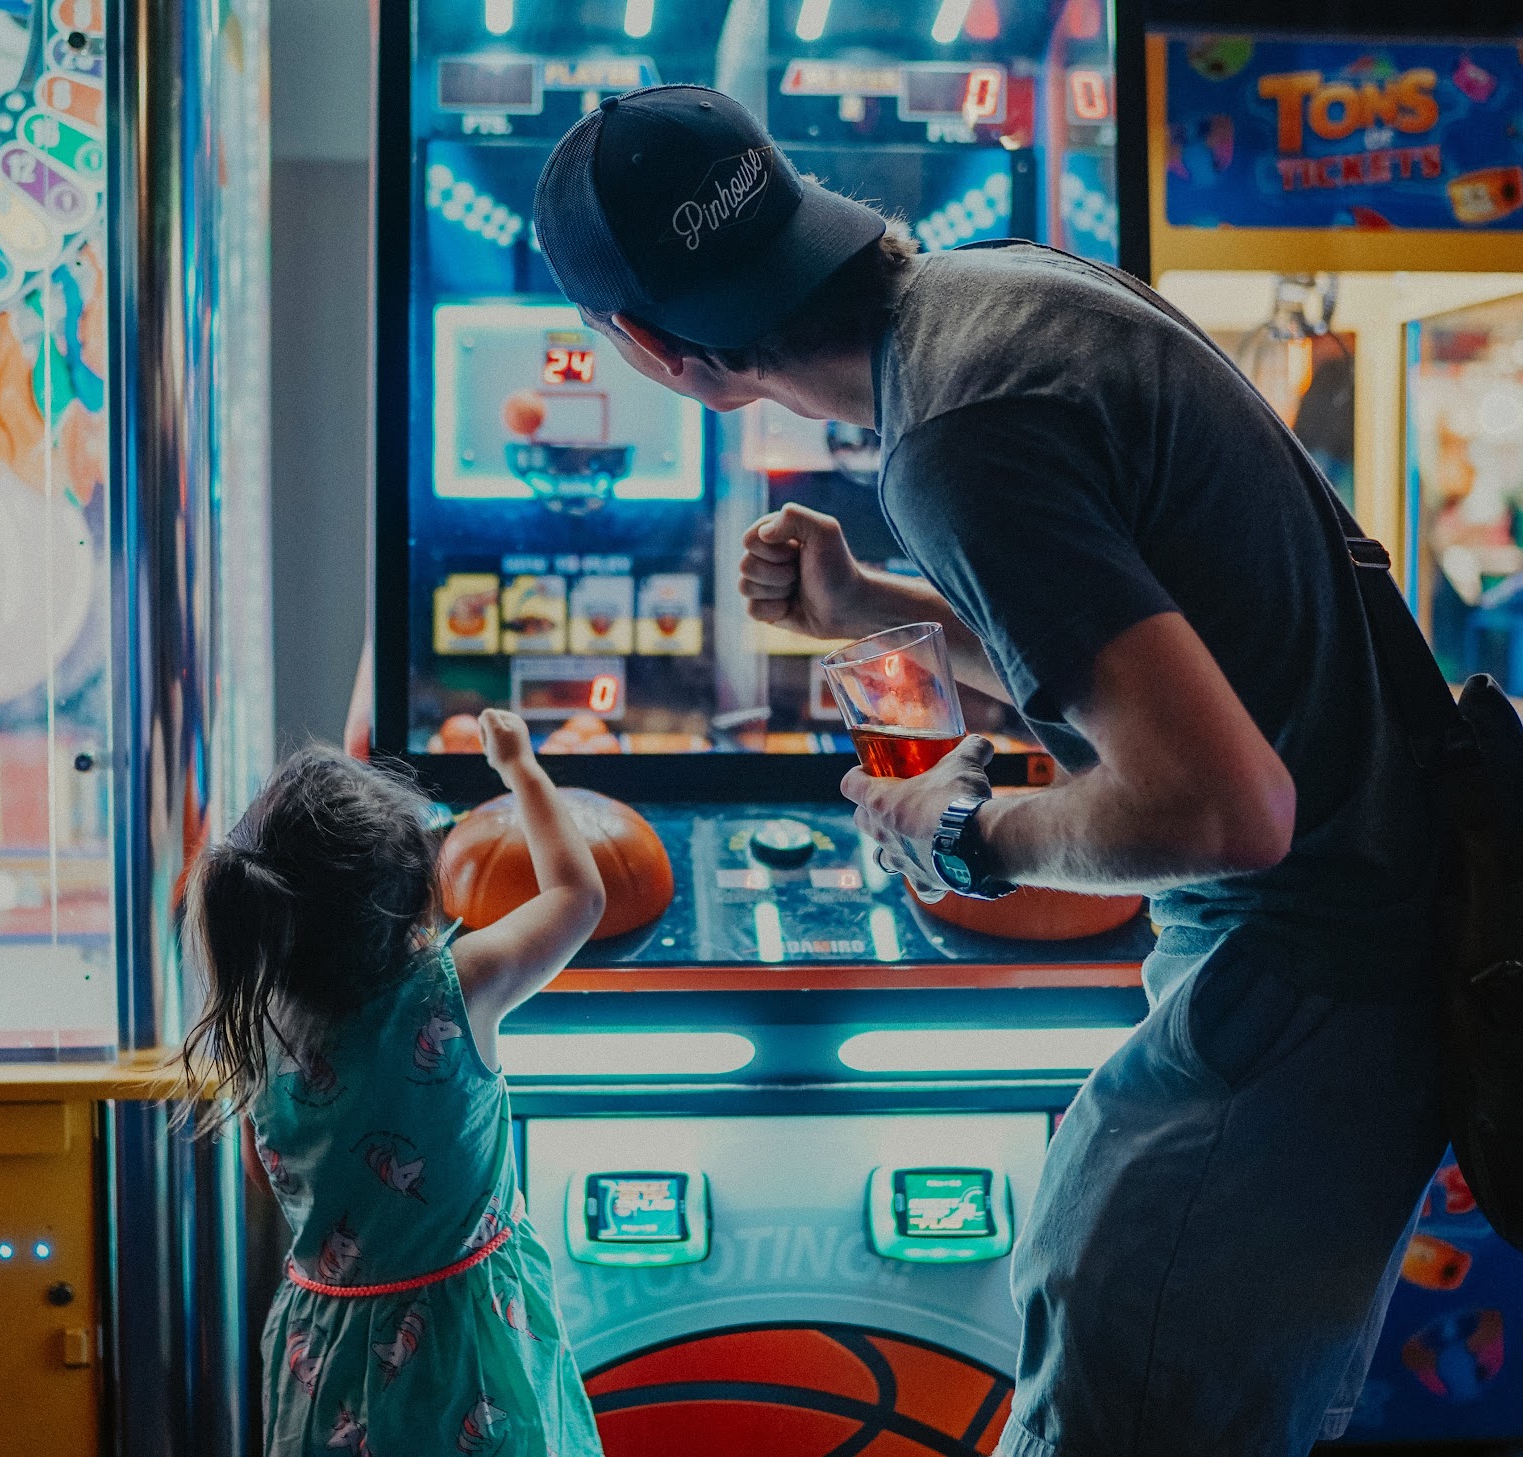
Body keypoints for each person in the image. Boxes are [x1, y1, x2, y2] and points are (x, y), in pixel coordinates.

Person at [528, 86, 1447, 1457]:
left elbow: (1226, 808)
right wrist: (866, 605)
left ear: (658, 353)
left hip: (1295, 986)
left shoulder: (955, 433)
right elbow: (1149, 657)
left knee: (1121, 1386)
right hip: (1346, 973)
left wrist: (965, 828)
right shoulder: (1001, 296)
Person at [181, 717, 606, 1457]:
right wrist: (521, 768)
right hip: (462, 1347)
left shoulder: (258, 1019)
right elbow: (578, 895)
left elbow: (265, 1173)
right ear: (408, 894)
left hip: (325, 1347)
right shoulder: (457, 987)